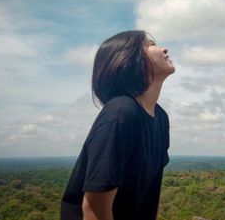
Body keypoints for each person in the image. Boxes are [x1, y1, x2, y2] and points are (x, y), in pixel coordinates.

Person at [61, 30, 175, 220]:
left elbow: (152, 193)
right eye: (151, 45)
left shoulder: (160, 117)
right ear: (129, 58)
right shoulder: (121, 113)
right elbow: (94, 210)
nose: (164, 49)